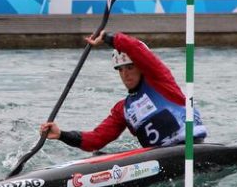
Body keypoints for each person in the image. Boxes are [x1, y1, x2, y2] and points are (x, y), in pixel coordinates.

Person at [40, 30, 207, 152]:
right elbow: (96, 139)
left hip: (192, 146)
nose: (125, 74)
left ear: (141, 67)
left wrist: (107, 37)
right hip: (161, 160)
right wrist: (61, 134)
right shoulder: (123, 110)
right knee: (97, 155)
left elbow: (135, 48)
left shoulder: (160, 81)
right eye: (120, 69)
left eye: (130, 67)